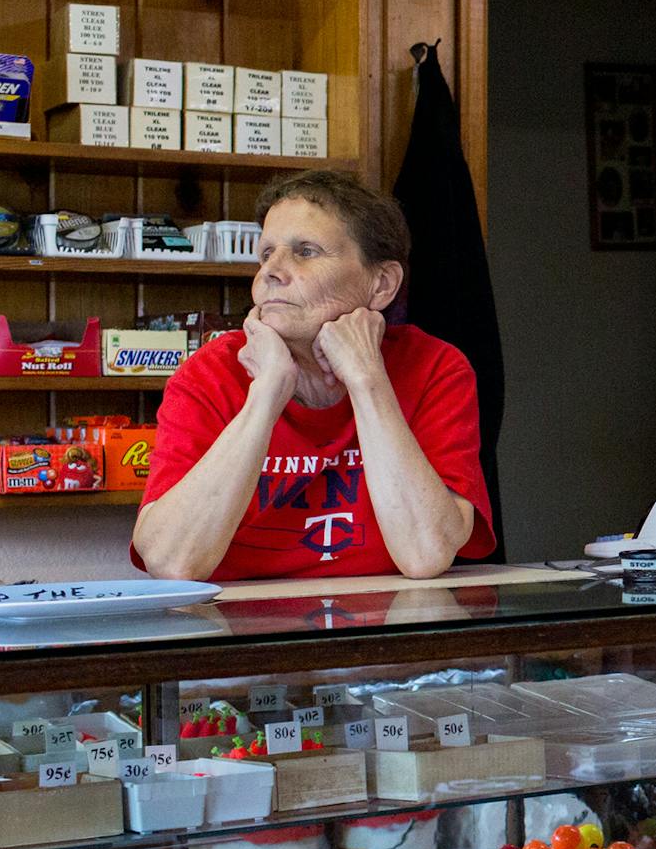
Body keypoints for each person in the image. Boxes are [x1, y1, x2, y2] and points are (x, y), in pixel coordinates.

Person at [132, 171, 496, 582]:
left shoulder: (435, 368)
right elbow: (172, 563)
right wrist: (266, 393)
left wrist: (366, 378)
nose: (271, 271)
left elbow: (425, 554)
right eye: (265, 254)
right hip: (238, 633)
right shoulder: (208, 374)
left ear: (381, 283)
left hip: (382, 631)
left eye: (305, 251)